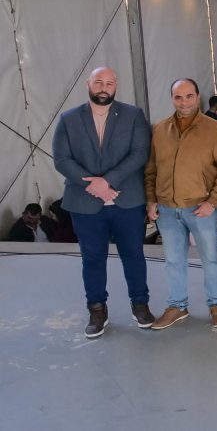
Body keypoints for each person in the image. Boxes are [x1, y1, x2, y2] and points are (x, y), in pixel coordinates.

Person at [51, 67, 155, 338]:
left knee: (133, 255)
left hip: (127, 200)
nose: (104, 87)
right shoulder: (69, 119)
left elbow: (140, 153)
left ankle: (140, 304)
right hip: (85, 204)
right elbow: (62, 159)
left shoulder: (133, 115)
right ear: (88, 84)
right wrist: (93, 186)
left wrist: (108, 182)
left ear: (116, 86)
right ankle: (97, 310)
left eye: (109, 83)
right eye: (99, 82)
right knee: (92, 258)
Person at [145, 78, 217, 330]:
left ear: (198, 97)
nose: (184, 102)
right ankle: (177, 306)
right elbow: (151, 169)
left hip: (201, 207)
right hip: (167, 209)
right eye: (178, 97)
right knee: (173, 260)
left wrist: (212, 201)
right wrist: (151, 200)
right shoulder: (160, 130)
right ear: (172, 99)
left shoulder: (216, 130)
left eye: (189, 96)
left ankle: (216, 305)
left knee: (211, 258)